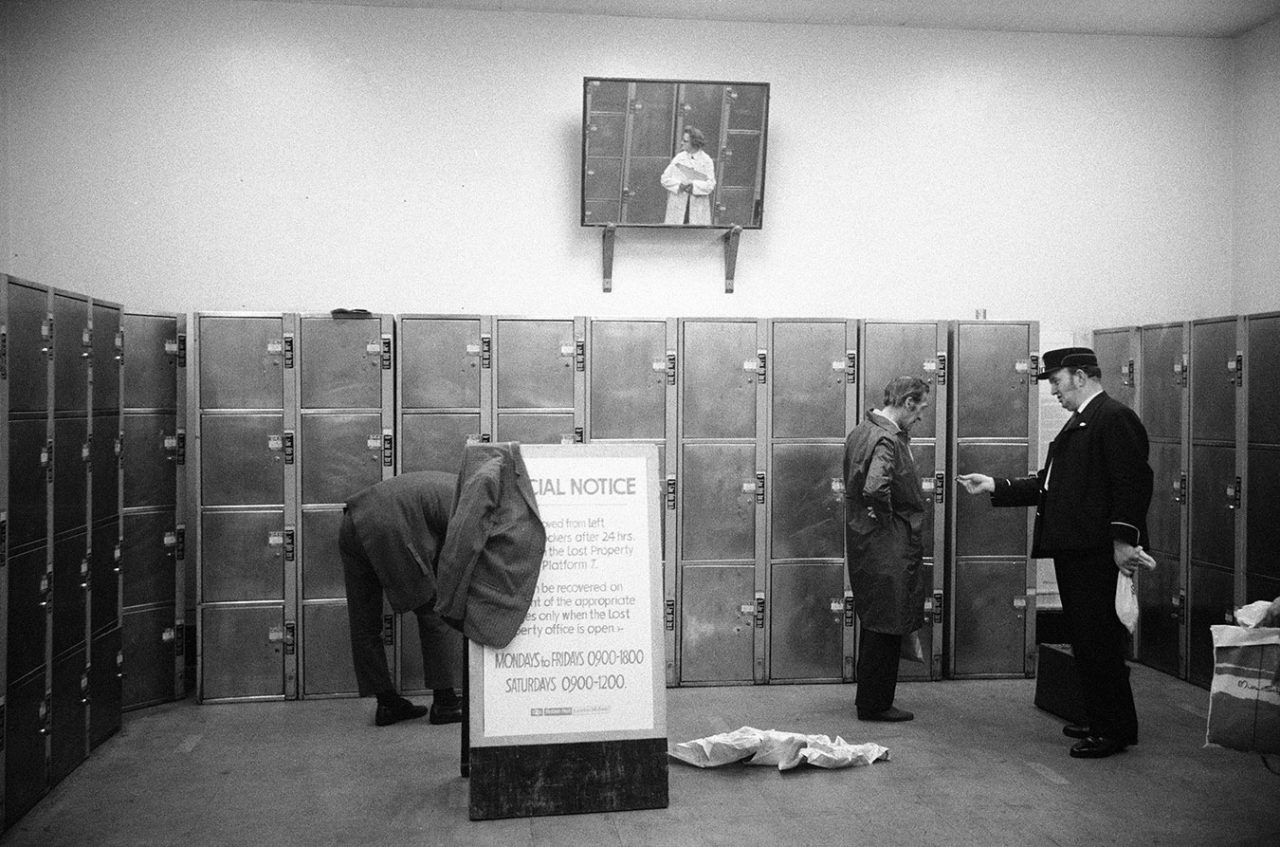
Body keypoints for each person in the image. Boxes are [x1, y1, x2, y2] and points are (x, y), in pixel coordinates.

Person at [957, 347, 1154, 759]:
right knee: (1087, 640)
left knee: (1098, 641)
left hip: (1097, 553)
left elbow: (1132, 485)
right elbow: (1048, 485)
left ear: (1080, 376)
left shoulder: (1113, 418)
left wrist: (1122, 543)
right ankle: (1107, 718)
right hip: (1076, 551)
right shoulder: (1082, 423)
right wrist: (994, 484)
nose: (1053, 391)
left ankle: (1112, 730)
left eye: (1056, 381)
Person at [340, 471, 463, 727]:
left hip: (352, 521)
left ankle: (387, 702)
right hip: (388, 525)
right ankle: (445, 702)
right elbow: (456, 555)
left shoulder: (456, 484)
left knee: (364, 621)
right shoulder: (468, 501)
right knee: (434, 611)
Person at [844, 376, 931, 722]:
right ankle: (876, 704)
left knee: (876, 618)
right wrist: (890, 522)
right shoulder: (888, 439)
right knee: (888, 622)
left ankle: (870, 698)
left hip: (867, 540)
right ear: (908, 402)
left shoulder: (861, 430)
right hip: (888, 541)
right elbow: (876, 487)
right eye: (921, 408)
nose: (921, 416)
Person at [660, 126, 716, 225]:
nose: (681, 143)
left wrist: (694, 186)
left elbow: (710, 185)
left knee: (696, 237)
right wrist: (679, 185)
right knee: (675, 237)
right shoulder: (679, 158)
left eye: (685, 141)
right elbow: (664, 179)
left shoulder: (706, 160)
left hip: (697, 209)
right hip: (678, 207)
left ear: (694, 143)